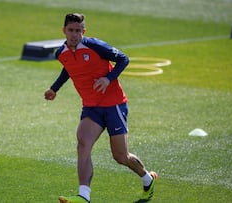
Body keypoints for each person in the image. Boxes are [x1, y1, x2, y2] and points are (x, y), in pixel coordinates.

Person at [44, 13, 157, 203]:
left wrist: (108, 79)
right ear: (64, 31)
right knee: (83, 144)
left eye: (78, 31)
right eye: (70, 30)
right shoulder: (60, 53)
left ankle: (147, 178)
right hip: (91, 107)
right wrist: (54, 88)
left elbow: (123, 59)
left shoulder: (95, 46)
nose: (74, 34)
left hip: (114, 106)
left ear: (83, 31)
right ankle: (84, 196)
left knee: (121, 156)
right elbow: (69, 68)